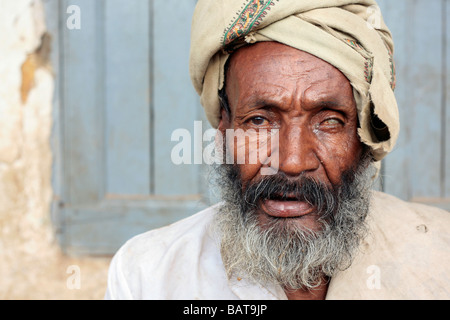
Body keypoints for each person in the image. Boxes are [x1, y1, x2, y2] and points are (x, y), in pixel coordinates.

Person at [104, 0, 450, 300]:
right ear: (223, 129)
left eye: (329, 121)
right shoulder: (148, 276)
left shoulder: (439, 256)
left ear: (363, 134)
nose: (292, 161)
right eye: (259, 121)